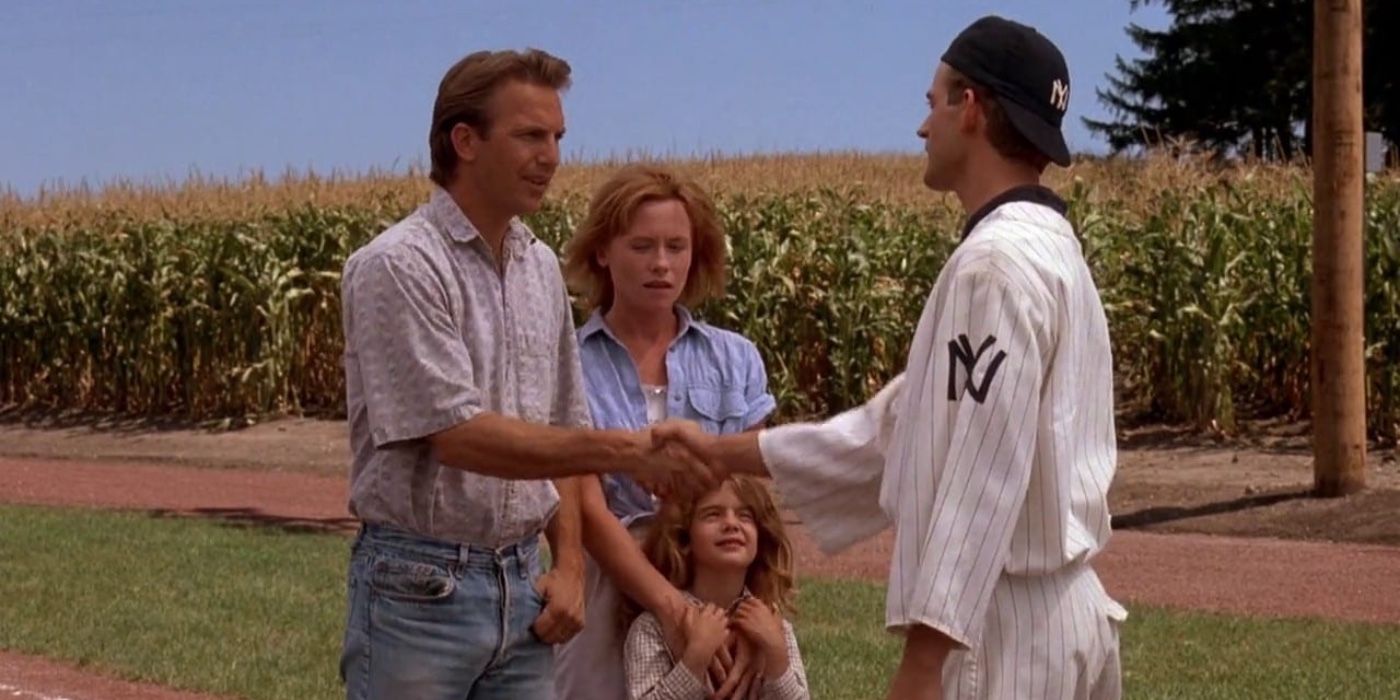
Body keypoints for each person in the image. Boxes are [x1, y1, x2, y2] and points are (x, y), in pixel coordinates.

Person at [655, 16, 1128, 700]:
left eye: (931, 102)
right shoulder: (1052, 250)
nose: (921, 126)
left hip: (999, 638)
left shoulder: (992, 266)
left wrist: (925, 658)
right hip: (1063, 623)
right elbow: (894, 429)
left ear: (970, 109)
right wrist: (715, 455)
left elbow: (979, 473)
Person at [337, 49, 714, 700]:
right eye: (530, 136)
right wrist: (627, 448)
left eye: (558, 137)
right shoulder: (399, 266)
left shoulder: (538, 268)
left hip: (524, 590)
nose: (552, 156)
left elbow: (561, 426)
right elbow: (456, 434)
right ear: (466, 141)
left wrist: (568, 567)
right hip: (418, 588)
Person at [554, 164, 777, 700]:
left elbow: (754, 501)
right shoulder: (569, 364)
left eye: (677, 247)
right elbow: (584, 506)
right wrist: (668, 604)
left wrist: (748, 614)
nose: (661, 264)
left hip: (716, 584)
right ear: (603, 252)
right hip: (609, 581)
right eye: (642, 246)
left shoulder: (735, 359)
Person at [624, 475, 809, 700]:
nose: (731, 524)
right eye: (712, 514)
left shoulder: (775, 627)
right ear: (685, 537)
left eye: (745, 516)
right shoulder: (653, 627)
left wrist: (776, 654)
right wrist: (694, 661)